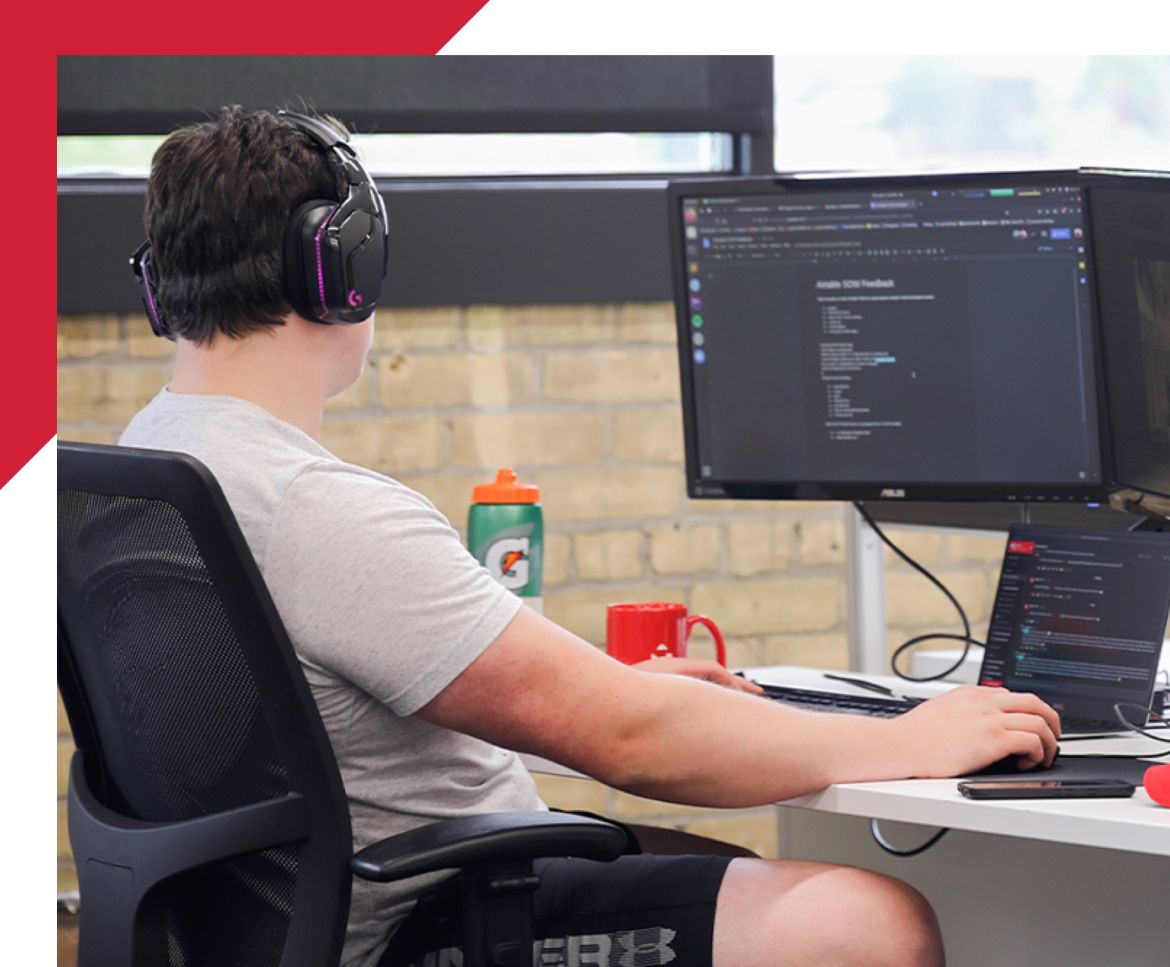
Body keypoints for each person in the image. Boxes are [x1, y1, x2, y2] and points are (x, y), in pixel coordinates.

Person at [120, 106, 1061, 967]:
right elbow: (636, 745)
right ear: (344, 270)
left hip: (284, 920)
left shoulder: (142, 467)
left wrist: (612, 690)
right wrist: (912, 735)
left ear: (162, 286)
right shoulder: (315, 507)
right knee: (865, 922)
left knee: (724, 871)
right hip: (419, 919)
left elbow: (338, 714)